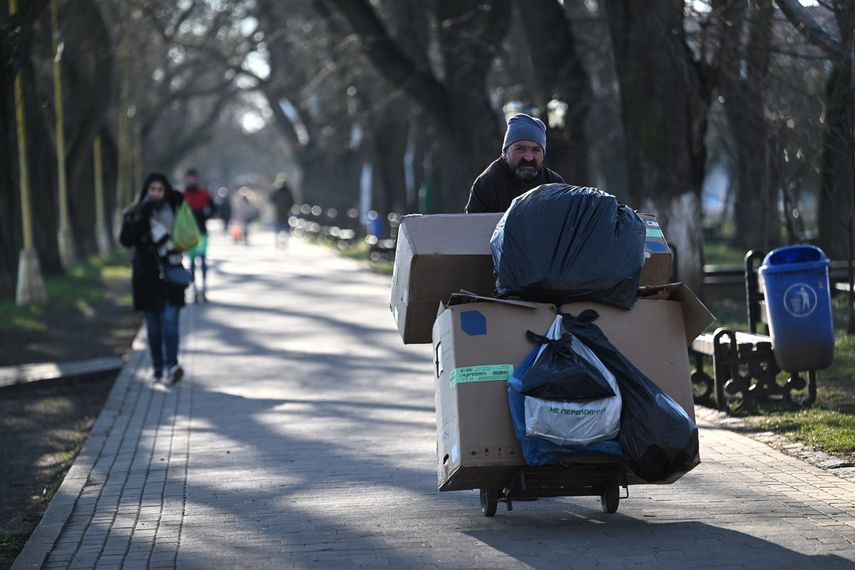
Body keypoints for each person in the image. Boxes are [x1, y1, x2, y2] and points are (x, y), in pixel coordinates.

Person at [120, 172, 187, 384]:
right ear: (146, 191)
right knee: (154, 327)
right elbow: (126, 240)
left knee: (170, 322)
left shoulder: (175, 207)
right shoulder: (135, 212)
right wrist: (143, 215)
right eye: (153, 189)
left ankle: (171, 366)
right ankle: (157, 368)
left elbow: (188, 230)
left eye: (160, 189)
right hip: (146, 277)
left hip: (172, 274)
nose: (157, 194)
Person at [465, 113, 565, 213]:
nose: (528, 157)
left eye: (536, 150)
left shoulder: (555, 185)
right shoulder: (487, 184)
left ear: (543, 154)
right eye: (520, 149)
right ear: (505, 152)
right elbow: (473, 226)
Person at [181, 168, 216, 303]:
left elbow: (213, 208)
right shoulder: (182, 195)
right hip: (189, 234)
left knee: (202, 262)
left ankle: (204, 289)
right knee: (191, 264)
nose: (192, 180)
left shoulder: (204, 194)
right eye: (190, 178)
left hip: (202, 232)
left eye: (193, 178)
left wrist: (205, 216)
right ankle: (194, 290)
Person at [270, 173, 295, 248]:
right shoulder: (288, 192)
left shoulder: (276, 192)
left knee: (278, 229)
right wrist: (289, 208)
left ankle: (277, 242)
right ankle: (285, 242)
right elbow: (292, 202)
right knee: (286, 228)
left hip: (278, 213)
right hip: (286, 213)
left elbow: (271, 199)